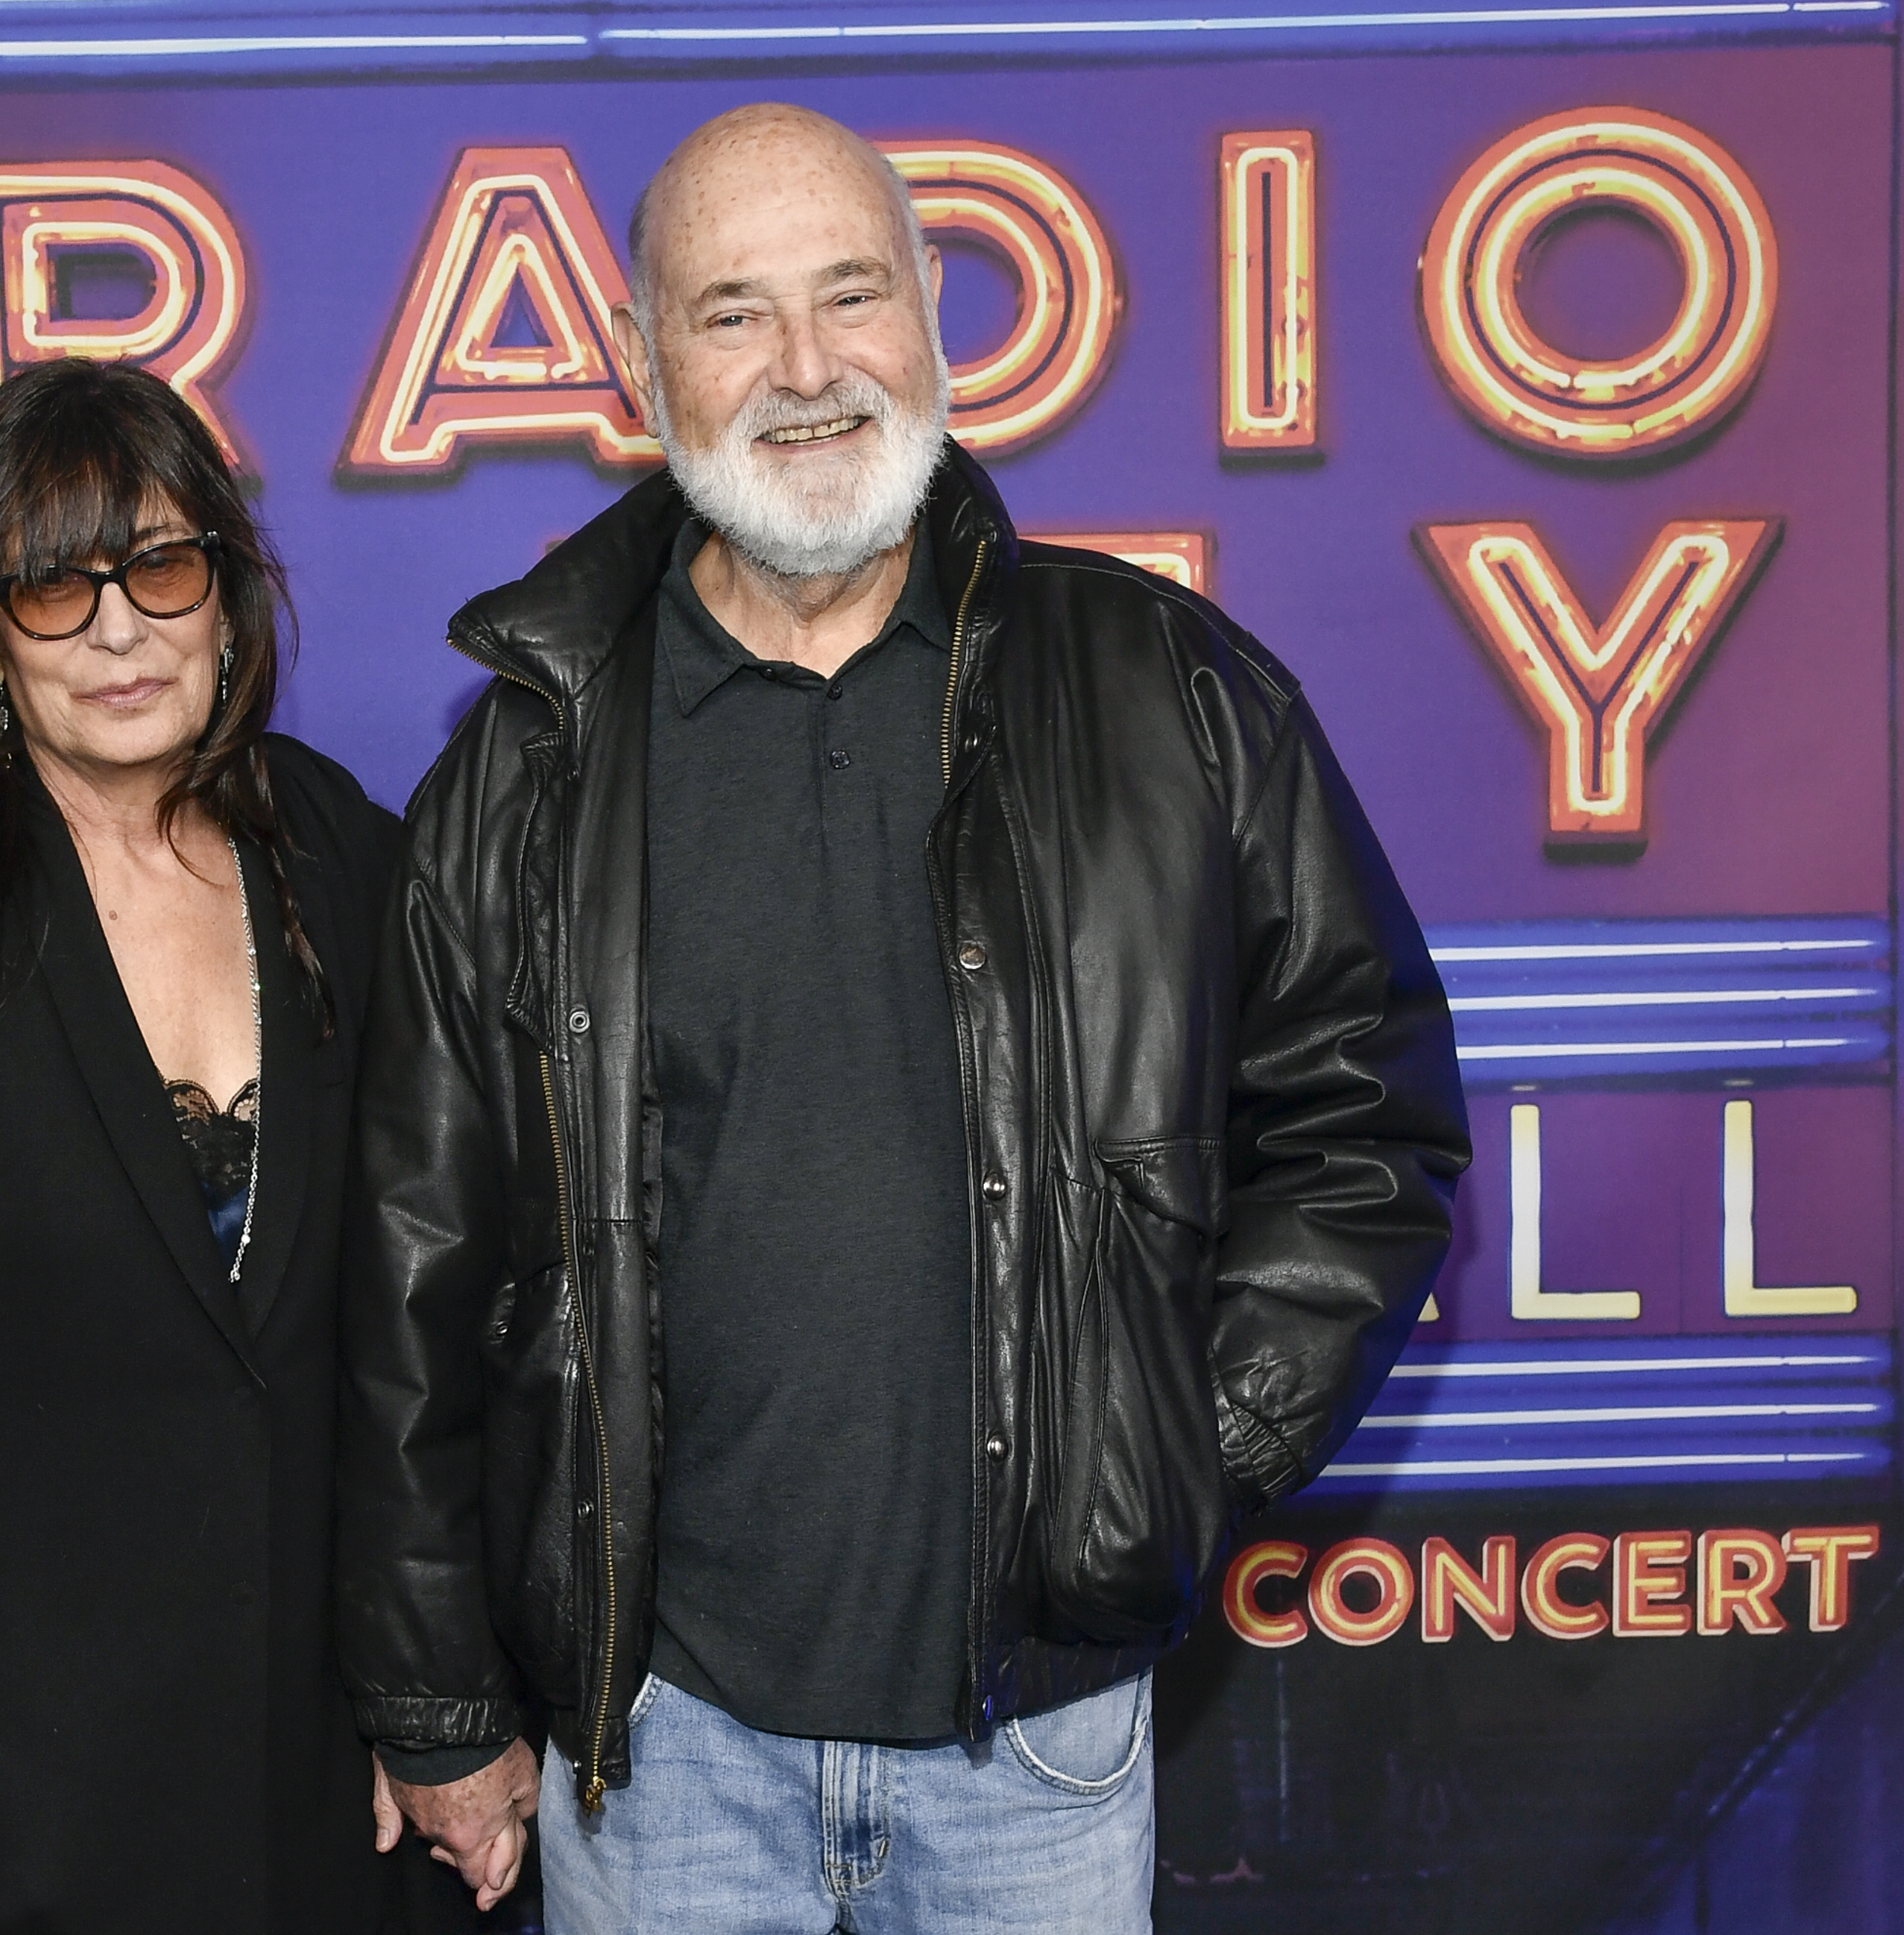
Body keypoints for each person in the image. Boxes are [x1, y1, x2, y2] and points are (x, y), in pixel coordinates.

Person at [335, 103, 1472, 1933]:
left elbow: (1369, 1116)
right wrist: (434, 1695)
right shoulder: (527, 763)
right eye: (730, 313)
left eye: (848, 293)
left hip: (1040, 1736)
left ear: (932, 310)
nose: (804, 367)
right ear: (641, 367)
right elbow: (412, 1258)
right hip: (659, 1739)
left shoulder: (1164, 688)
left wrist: (1180, 1445)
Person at [0, 358, 466, 1933]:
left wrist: (438, 1690)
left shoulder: (337, 850)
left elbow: (431, 1312)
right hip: (22, 1805)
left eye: (162, 567)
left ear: (227, 597)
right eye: (54, 585)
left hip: (329, 1789)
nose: (120, 627)